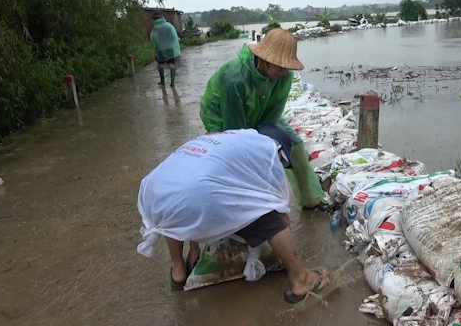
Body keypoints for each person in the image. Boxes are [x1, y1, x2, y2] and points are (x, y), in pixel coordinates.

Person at [136, 125, 330, 303]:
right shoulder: (267, 149)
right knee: (269, 216)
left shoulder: (227, 138)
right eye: (281, 161)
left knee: (174, 207)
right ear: (279, 150)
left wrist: (193, 248)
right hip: (192, 193)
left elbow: (186, 192)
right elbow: (278, 206)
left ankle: (178, 270)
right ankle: (302, 279)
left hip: (154, 192)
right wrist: (286, 253)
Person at [199, 28, 326, 209]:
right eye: (280, 66)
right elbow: (234, 130)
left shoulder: (284, 76)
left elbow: (273, 114)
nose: (284, 72)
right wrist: (251, 147)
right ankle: (232, 208)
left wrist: (267, 140)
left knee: (295, 144)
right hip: (222, 113)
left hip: (261, 108)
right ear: (265, 60)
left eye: (287, 67)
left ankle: (310, 199)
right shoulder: (234, 78)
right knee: (231, 157)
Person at [150, 13, 182, 87]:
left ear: (155, 19)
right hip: (171, 48)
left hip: (160, 49)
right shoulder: (169, 26)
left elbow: (153, 38)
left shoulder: (156, 28)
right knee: (172, 64)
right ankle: (172, 83)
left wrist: (157, 45)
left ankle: (162, 81)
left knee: (160, 64)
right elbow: (175, 37)